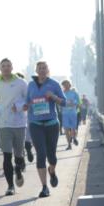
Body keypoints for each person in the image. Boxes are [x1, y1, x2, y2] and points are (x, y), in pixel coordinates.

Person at [0, 58, 28, 196]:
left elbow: (29, 99)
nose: (5, 68)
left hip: (19, 123)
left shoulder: (21, 83)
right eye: (3, 66)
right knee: (6, 155)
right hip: (3, 123)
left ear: (12, 67)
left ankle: (18, 169)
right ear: (0, 68)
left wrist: (21, 107)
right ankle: (10, 186)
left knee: (18, 156)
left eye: (8, 65)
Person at [25, 63, 65, 198]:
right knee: (41, 154)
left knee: (52, 156)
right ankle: (44, 187)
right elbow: (26, 103)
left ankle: (52, 171)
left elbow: (65, 102)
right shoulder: (30, 85)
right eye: (39, 68)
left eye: (44, 68)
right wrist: (26, 105)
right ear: (36, 71)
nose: (42, 70)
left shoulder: (54, 84)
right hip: (35, 124)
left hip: (51, 124)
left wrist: (53, 97)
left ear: (48, 70)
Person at [62, 80, 80, 148]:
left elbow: (78, 102)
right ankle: (69, 144)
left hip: (73, 113)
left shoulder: (74, 93)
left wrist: (73, 103)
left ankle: (74, 138)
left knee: (73, 128)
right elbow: (59, 102)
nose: (66, 86)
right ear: (63, 86)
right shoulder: (61, 93)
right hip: (65, 114)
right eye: (65, 85)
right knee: (66, 129)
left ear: (70, 85)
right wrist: (63, 104)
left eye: (67, 84)